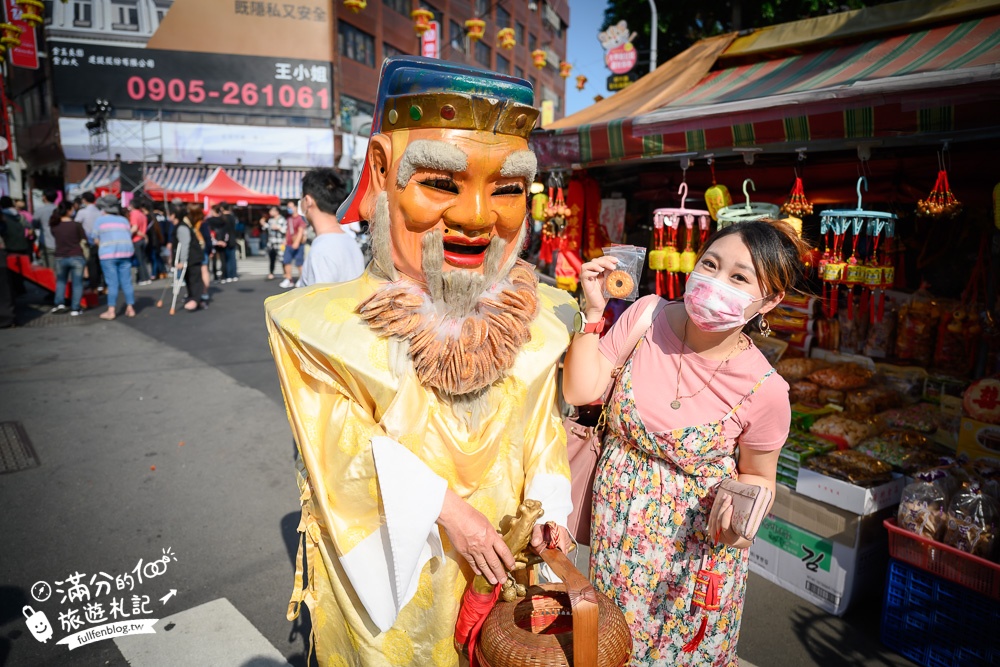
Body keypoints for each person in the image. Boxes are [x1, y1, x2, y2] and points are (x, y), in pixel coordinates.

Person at [265, 57, 576, 666]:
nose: (476, 217)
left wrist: (550, 505)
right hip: (400, 576)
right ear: (382, 171)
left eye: (508, 188)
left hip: (506, 567)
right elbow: (341, 449)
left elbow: (542, 427)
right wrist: (446, 511)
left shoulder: (541, 320)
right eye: (441, 183)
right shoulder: (323, 329)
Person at [562, 218, 807, 666]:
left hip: (692, 563)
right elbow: (579, 392)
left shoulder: (766, 390)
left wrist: (742, 514)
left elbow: (759, 477)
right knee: (610, 652)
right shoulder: (646, 315)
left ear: (769, 300)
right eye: (709, 265)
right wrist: (594, 311)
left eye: (738, 277)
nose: (715, 282)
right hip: (616, 541)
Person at [297, 168, 365, 286]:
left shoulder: (321, 252)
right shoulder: (350, 242)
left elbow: (319, 302)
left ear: (308, 201)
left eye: (301, 198)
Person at [92, 195, 136, 320]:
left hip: (108, 255)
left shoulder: (100, 220)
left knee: (112, 283)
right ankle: (130, 308)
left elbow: (95, 239)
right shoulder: (123, 220)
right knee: (127, 281)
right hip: (126, 253)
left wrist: (104, 246)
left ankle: (111, 311)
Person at [49, 202, 88, 316]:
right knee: (77, 283)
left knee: (61, 281)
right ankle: (75, 308)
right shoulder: (76, 225)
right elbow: (84, 240)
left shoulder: (54, 226)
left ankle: (59, 303)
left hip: (60, 257)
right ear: (69, 210)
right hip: (77, 256)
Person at [172, 203, 207, 311]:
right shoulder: (184, 225)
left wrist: (182, 260)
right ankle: (197, 299)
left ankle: (195, 299)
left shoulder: (182, 227)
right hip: (193, 256)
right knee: (190, 278)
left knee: (194, 278)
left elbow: (185, 244)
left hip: (193, 256)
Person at [75, 191, 103, 291]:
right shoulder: (100, 211)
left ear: (84, 200)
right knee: (100, 263)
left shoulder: (82, 212)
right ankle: (101, 284)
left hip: (88, 240)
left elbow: (77, 225)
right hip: (100, 239)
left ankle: (93, 285)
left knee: (91, 264)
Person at [280, 203, 306, 288]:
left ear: (295, 207)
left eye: (291, 207)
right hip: (289, 244)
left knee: (299, 263)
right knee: (286, 261)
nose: (289, 209)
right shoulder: (289, 218)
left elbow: (301, 231)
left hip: (298, 244)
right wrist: (285, 240)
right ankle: (288, 279)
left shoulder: (300, 218)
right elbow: (288, 230)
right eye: (288, 207)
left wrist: (297, 242)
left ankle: (301, 279)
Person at [129, 196, 152, 285]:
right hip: (143, 239)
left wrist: (127, 233)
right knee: (143, 260)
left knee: (140, 260)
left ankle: (143, 278)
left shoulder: (134, 213)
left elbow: (134, 228)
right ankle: (147, 277)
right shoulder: (142, 214)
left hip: (137, 239)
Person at [259, 206, 286, 280]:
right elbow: (267, 228)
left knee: (282, 258)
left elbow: (286, 230)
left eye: (272, 211)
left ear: (277, 212)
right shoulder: (271, 220)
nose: (270, 212)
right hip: (271, 243)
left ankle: (286, 273)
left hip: (280, 242)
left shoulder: (282, 219)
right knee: (272, 258)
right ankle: (271, 273)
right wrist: (263, 223)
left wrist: (278, 227)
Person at [34, 190, 58, 268]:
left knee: (48, 268)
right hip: (61, 242)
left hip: (46, 242)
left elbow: (34, 224)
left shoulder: (39, 210)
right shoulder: (59, 209)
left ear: (44, 197)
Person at [219, 202, 239, 283]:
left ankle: (227, 275)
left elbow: (222, 230)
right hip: (233, 239)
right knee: (232, 258)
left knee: (225, 259)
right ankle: (233, 274)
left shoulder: (223, 218)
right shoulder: (233, 217)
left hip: (225, 240)